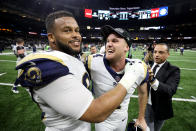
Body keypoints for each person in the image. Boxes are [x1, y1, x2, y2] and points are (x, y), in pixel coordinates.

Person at [15, 10, 148, 131]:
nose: (76, 35)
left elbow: (145, 88)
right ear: (51, 37)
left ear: (127, 47)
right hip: (90, 122)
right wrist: (131, 75)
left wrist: (141, 116)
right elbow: (95, 112)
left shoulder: (75, 60)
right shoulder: (46, 65)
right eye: (67, 30)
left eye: (77, 30)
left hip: (109, 120)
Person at [86, 25, 148, 131]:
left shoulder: (138, 67)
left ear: (127, 47)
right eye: (108, 41)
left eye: (115, 41)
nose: (109, 44)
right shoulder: (92, 62)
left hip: (122, 118)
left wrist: (141, 117)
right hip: (102, 122)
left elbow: (143, 93)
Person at [145, 43, 180, 131]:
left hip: (160, 108)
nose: (156, 55)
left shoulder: (173, 70)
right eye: (155, 52)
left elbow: (170, 90)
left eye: (161, 52)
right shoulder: (148, 65)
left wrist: (153, 80)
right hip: (146, 106)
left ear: (168, 54)